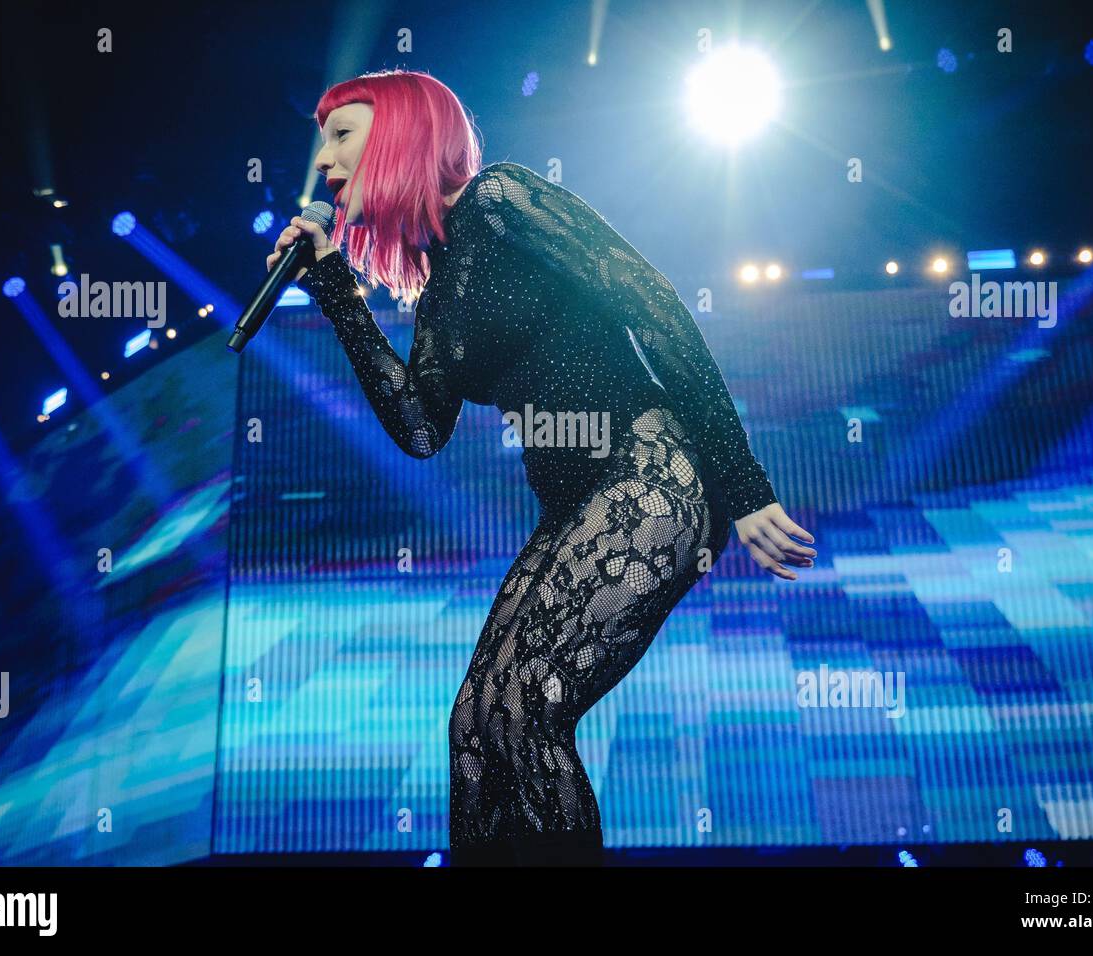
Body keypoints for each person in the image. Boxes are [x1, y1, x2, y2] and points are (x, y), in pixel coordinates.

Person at [267, 69, 815, 866]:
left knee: (526, 709)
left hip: (650, 470)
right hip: (570, 506)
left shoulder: (501, 200)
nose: (324, 158)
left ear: (402, 136)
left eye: (342, 134)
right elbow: (422, 429)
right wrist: (337, 292)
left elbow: (651, 302)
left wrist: (743, 484)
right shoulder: (437, 296)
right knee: (474, 727)